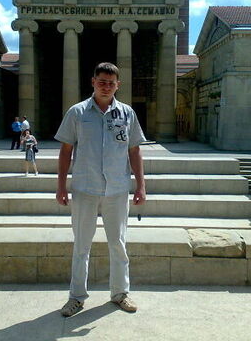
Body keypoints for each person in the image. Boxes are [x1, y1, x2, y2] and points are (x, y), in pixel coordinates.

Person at [55, 62, 146, 317]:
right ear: (93, 82)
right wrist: (61, 186)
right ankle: (76, 297)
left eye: (111, 83)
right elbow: (65, 151)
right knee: (81, 246)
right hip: (85, 188)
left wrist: (141, 185)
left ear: (118, 85)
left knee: (118, 244)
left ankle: (120, 293)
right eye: (102, 82)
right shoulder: (77, 112)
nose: (106, 87)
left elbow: (135, 150)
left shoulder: (127, 114)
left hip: (117, 189)